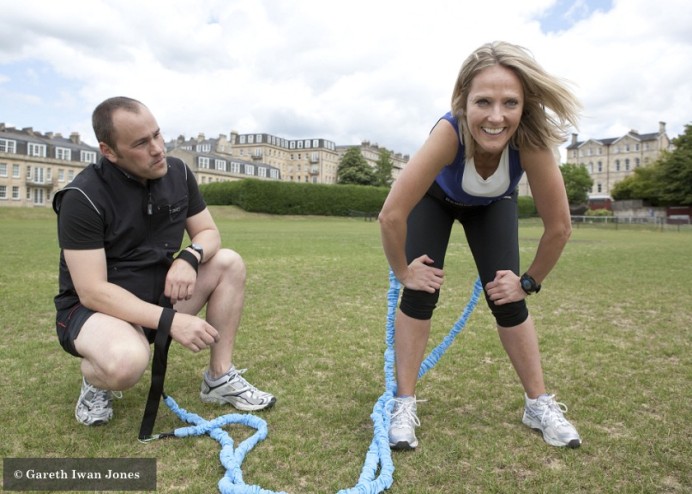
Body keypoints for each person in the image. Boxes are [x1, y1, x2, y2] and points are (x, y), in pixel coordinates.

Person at [378, 41, 582, 450]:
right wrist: (404, 272)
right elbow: (391, 214)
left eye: (510, 102)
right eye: (483, 102)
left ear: (524, 107)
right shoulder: (447, 134)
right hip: (434, 202)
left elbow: (559, 227)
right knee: (420, 292)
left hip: (492, 206)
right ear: (462, 102)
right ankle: (403, 403)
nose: (495, 116)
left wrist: (527, 282)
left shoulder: (532, 141)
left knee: (507, 299)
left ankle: (538, 404)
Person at [53, 96, 275, 426]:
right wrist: (171, 322)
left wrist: (189, 257)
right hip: (95, 312)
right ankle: (96, 377)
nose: (157, 148)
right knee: (127, 362)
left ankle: (219, 377)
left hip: (157, 294)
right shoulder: (82, 197)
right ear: (109, 152)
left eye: (157, 135)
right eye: (141, 143)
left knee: (228, 262)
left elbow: (209, 233)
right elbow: (92, 291)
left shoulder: (178, 173)